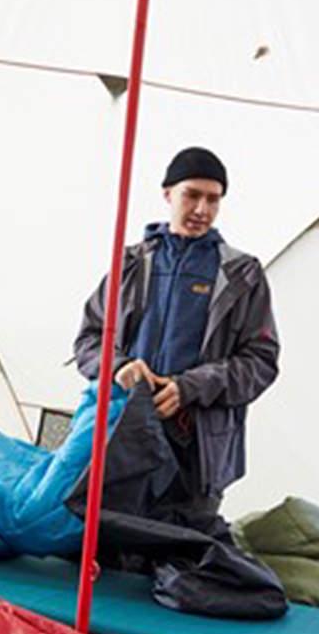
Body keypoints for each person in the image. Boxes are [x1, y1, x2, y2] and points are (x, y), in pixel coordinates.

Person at [73, 145, 278, 519]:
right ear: (168, 194)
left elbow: (261, 362)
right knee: (111, 550)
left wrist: (191, 387)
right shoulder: (129, 265)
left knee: (180, 561)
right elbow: (89, 339)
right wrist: (119, 366)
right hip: (122, 439)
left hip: (197, 453)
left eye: (213, 200)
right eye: (192, 195)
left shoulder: (242, 275)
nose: (202, 210)